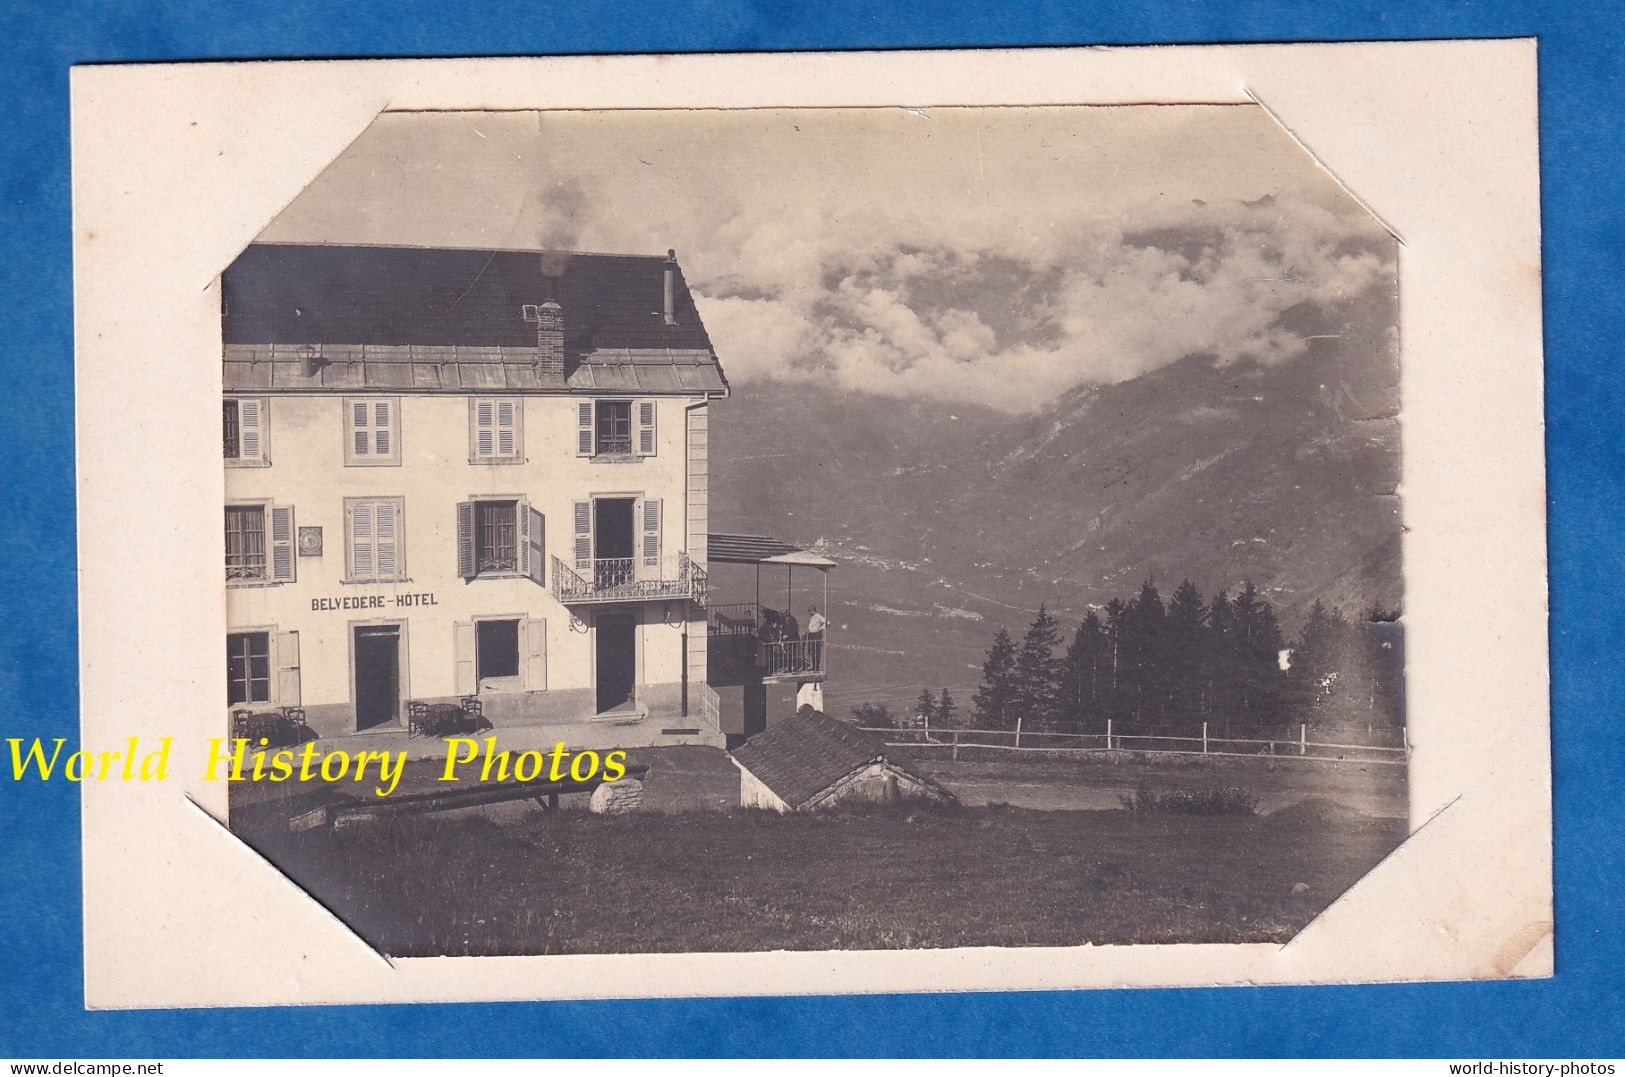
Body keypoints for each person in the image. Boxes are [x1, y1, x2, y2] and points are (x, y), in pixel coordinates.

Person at [806, 604, 826, 671]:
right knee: (812, 651)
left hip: (816, 635)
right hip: (812, 635)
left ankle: (816, 667)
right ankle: (814, 666)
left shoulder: (818, 616)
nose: (809, 613)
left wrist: (820, 629)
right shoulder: (812, 617)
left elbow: (827, 622)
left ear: (813, 610)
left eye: (810, 611)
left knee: (816, 652)